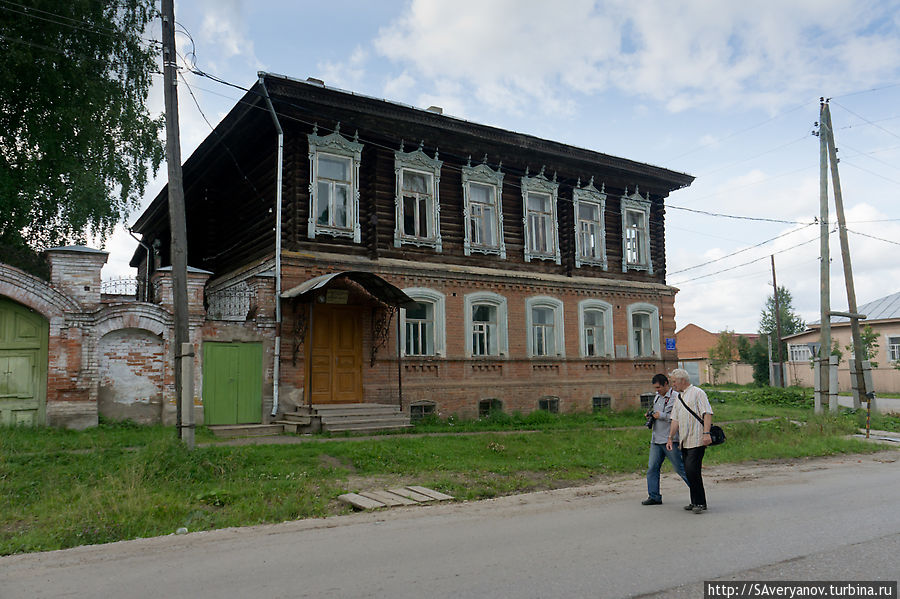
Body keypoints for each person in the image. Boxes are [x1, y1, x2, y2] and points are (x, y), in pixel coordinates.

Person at [666, 368, 714, 514]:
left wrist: (706, 433)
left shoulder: (698, 393)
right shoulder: (679, 397)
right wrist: (670, 437)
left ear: (682, 380)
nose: (672, 385)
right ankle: (696, 501)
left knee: (693, 470)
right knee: (689, 470)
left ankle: (700, 503)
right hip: (684, 441)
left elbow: (707, 413)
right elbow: (675, 419)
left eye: (674, 382)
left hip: (698, 438)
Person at [641, 373, 689, 505]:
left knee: (680, 468)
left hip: (670, 439)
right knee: (652, 468)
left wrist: (660, 415)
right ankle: (654, 496)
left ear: (666, 384)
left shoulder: (676, 397)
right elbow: (657, 414)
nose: (657, 390)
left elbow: (677, 417)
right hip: (656, 439)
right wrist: (651, 416)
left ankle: (696, 492)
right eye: (655, 388)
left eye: (659, 387)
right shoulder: (657, 397)